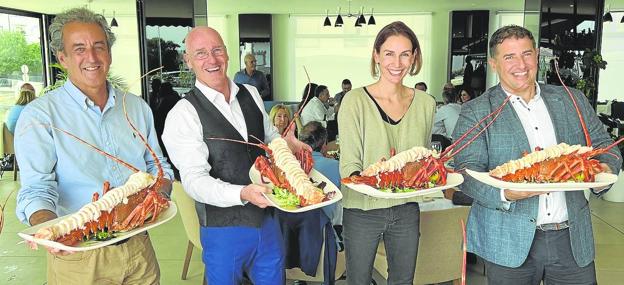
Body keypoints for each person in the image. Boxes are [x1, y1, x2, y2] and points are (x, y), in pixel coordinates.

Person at [14, 8, 174, 285]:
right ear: (62, 57)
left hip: (139, 247)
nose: (91, 57)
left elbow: (157, 166)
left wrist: (157, 195)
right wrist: (53, 231)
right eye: (79, 49)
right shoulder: (40, 116)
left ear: (109, 53)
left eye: (99, 46)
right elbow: (37, 189)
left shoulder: (136, 107)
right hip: (80, 256)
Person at [452, 25, 622, 285]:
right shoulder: (476, 110)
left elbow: (604, 145)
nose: (521, 64)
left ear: (536, 57)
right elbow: (467, 171)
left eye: (527, 54)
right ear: (494, 63)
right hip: (508, 241)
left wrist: (605, 171)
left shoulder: (571, 99)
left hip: (571, 239)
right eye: (509, 57)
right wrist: (505, 194)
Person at [162, 26, 309, 285]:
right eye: (201, 53)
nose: (212, 59)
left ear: (228, 53)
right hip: (224, 230)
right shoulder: (182, 114)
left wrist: (285, 143)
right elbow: (194, 181)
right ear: (188, 61)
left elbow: (269, 138)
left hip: (268, 222)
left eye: (217, 50)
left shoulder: (250, 94)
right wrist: (241, 193)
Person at [338, 21, 436, 284]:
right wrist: (373, 177)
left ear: (414, 57)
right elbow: (348, 167)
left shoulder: (426, 103)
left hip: (406, 210)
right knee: (358, 280)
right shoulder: (354, 101)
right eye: (389, 53)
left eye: (405, 54)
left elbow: (423, 161)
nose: (397, 62)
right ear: (376, 55)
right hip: (362, 210)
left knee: (403, 281)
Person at [278, 121, 340, 285]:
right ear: (324, 144)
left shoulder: (284, 168)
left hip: (285, 244)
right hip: (323, 243)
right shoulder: (336, 167)